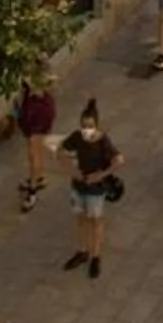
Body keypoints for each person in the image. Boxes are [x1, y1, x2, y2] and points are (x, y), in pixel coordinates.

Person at [60, 100, 122, 279]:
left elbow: (119, 159)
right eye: (83, 126)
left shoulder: (103, 141)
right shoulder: (77, 137)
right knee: (81, 218)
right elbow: (61, 151)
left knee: (95, 221)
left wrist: (100, 175)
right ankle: (82, 251)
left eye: (90, 126)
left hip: (95, 189)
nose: (86, 129)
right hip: (79, 186)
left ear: (96, 125)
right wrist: (72, 170)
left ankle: (95, 256)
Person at [15, 78, 56, 210]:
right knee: (36, 148)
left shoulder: (37, 71)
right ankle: (39, 178)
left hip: (38, 113)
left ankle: (32, 191)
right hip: (32, 111)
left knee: (34, 153)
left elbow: (47, 83)